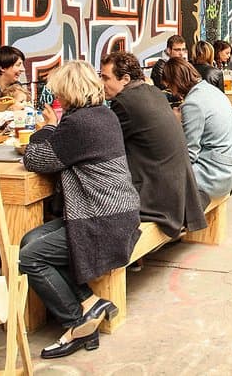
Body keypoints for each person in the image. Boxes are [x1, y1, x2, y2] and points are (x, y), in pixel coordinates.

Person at [19, 61, 140, 359]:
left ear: (69, 92)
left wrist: (46, 127)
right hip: (116, 212)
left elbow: (36, 159)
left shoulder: (78, 125)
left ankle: (77, 321)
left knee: (30, 257)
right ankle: (90, 303)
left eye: (59, 92)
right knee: (30, 241)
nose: (56, 97)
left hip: (103, 221)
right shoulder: (103, 115)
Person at [99, 52, 209, 236]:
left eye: (105, 77)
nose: (101, 83)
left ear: (125, 79)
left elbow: (104, 144)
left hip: (157, 195)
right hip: (179, 190)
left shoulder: (124, 102)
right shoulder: (153, 92)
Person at [161, 59, 232, 200]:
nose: (172, 92)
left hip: (212, 177)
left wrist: (175, 123)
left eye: (169, 87)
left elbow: (189, 155)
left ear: (176, 82)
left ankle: (188, 218)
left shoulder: (193, 104)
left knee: (158, 180)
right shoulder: (210, 90)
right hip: (229, 170)